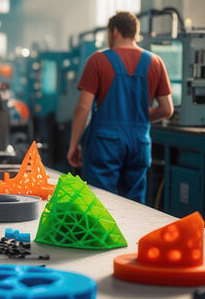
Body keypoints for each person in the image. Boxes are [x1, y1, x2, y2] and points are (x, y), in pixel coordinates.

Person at [67, 11, 174, 204]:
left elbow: (83, 108)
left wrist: (74, 144)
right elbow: (167, 109)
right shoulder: (155, 62)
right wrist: (138, 116)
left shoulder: (98, 60)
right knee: (133, 205)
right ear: (134, 32)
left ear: (114, 31)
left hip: (105, 143)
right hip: (139, 143)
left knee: (100, 204)